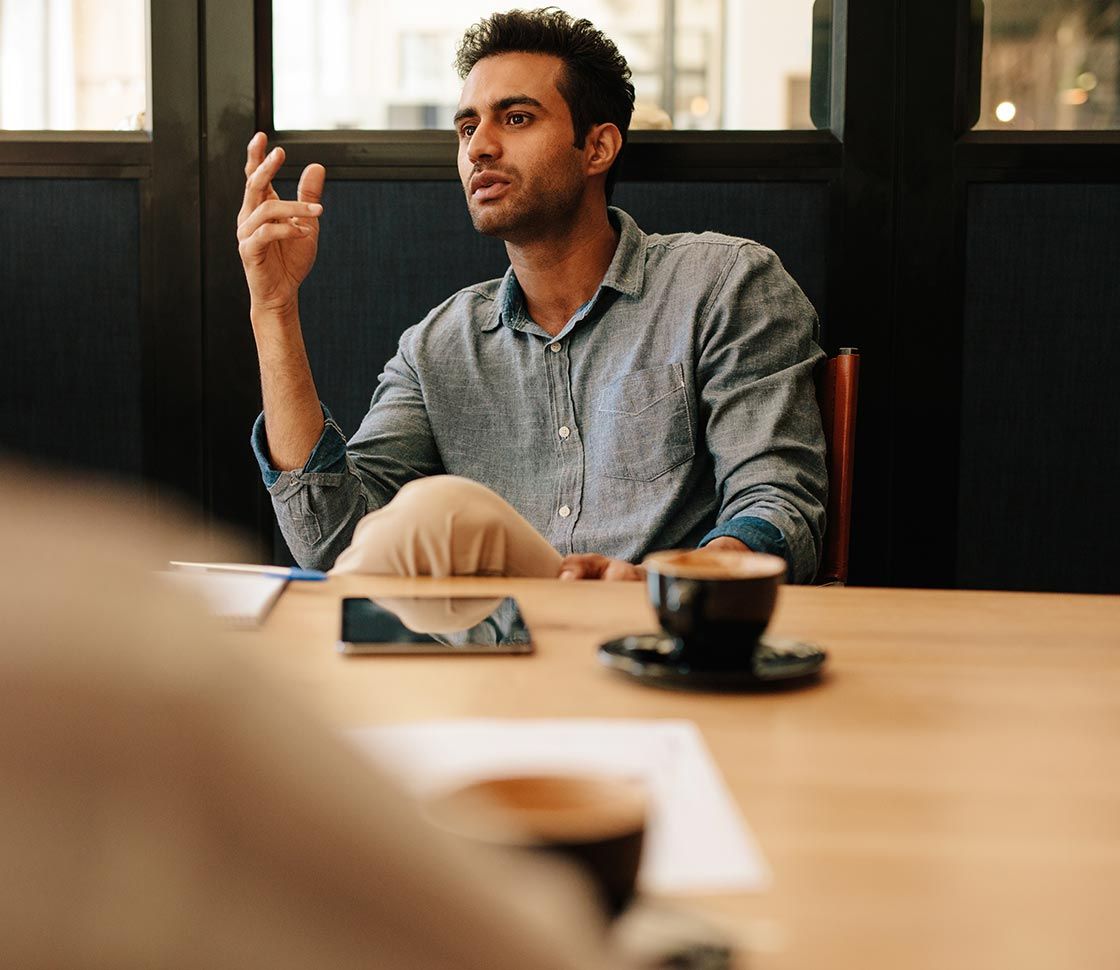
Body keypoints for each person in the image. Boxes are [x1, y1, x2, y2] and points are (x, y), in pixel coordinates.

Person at [238, 8, 827, 584]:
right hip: (492, 662)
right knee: (424, 519)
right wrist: (274, 309)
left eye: (515, 118)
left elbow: (778, 506)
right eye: (467, 128)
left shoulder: (723, 286)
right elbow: (336, 545)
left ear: (596, 148)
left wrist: (663, 582)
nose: (479, 149)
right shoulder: (437, 347)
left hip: (661, 648)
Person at [0, 464, 622, 969]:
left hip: (653, 598)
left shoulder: (703, 311)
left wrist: (696, 563)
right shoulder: (438, 342)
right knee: (434, 510)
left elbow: (729, 511)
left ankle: (313, 744)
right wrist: (275, 321)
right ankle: (319, 742)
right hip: (488, 627)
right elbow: (331, 528)